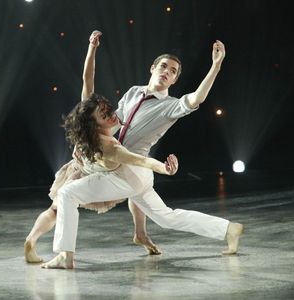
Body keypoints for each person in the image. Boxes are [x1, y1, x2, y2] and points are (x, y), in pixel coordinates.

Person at [42, 33, 243, 269]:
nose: (167, 71)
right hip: (132, 170)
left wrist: (216, 66)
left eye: (173, 71)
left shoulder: (171, 106)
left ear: (174, 80)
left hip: (130, 170)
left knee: (67, 194)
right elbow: (109, 118)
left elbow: (196, 98)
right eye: (164, 66)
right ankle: (229, 229)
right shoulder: (134, 92)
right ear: (153, 68)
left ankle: (66, 256)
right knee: (167, 217)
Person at [24, 31, 173, 263]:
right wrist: (163, 168)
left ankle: (32, 240)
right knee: (136, 186)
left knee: (56, 208)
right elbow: (140, 161)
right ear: (98, 118)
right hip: (97, 170)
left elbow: (87, 79)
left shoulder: (86, 121)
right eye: (106, 113)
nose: (111, 114)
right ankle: (140, 233)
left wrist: (92, 48)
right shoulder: (106, 134)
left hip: (82, 165)